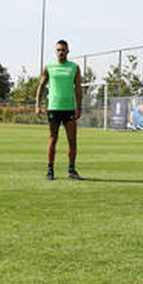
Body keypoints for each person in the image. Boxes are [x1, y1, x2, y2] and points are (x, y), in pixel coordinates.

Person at [35, 39, 84, 180]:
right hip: (54, 108)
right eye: (58, 50)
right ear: (55, 52)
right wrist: (37, 104)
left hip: (69, 109)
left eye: (63, 50)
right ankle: (50, 170)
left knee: (72, 140)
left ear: (68, 51)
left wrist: (79, 107)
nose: (61, 52)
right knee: (52, 138)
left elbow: (78, 89)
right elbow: (41, 86)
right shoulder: (49, 66)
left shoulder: (74, 67)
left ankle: (72, 170)